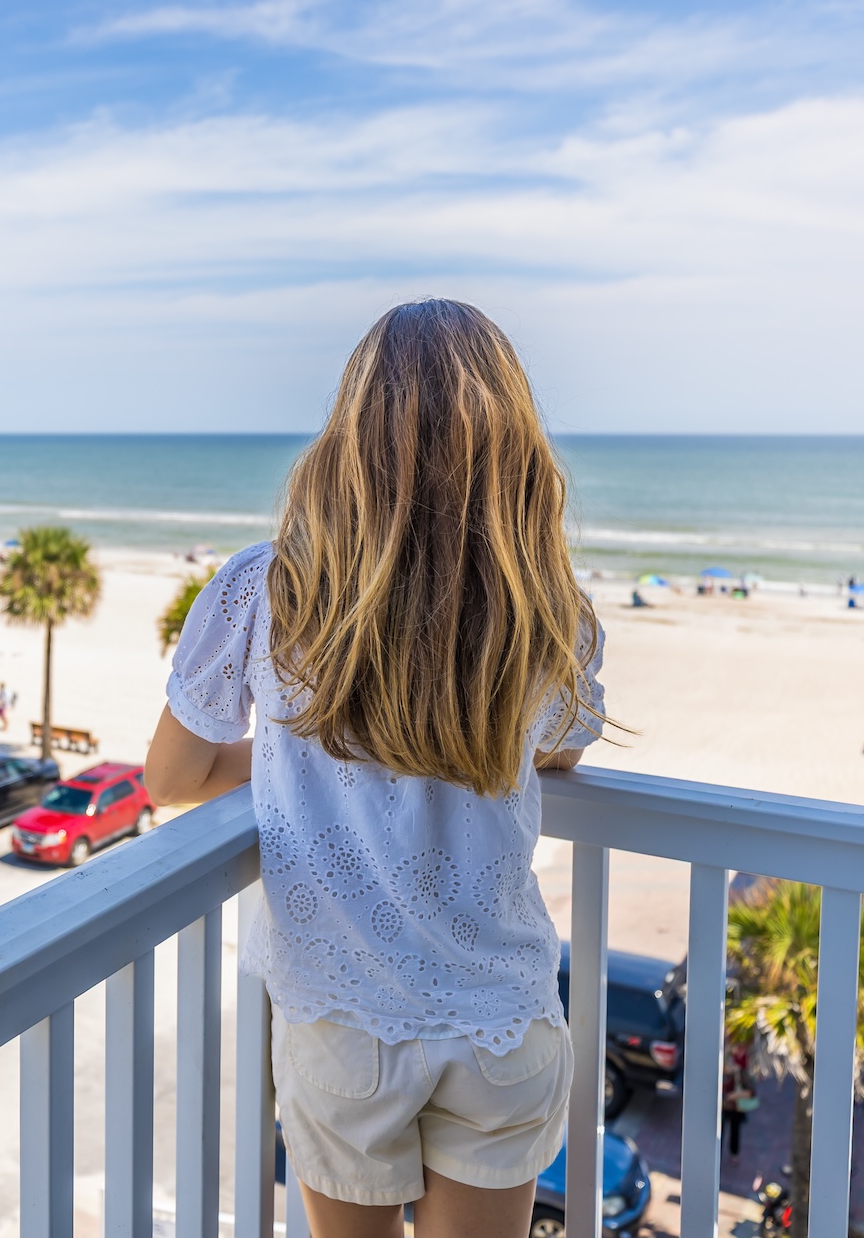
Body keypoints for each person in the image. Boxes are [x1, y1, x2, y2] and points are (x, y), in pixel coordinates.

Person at [145, 300, 609, 1238]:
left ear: (349, 436)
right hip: (501, 1024)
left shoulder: (267, 586)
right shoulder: (546, 607)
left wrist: (285, 750)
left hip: (342, 1019)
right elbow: (557, 745)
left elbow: (171, 776)